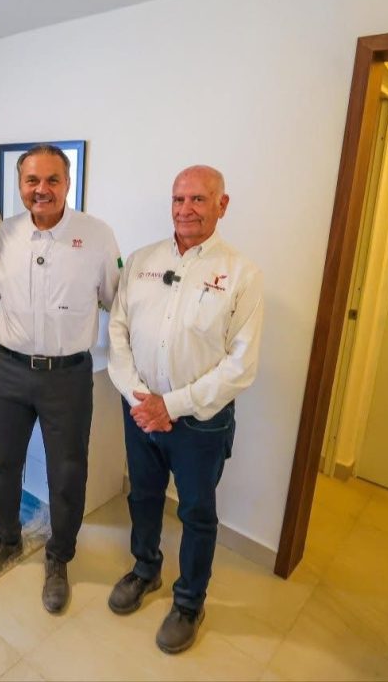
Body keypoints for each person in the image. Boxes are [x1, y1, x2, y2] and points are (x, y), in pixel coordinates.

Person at [106, 165, 263, 654]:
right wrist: (140, 397)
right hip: (140, 411)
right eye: (179, 199)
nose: (186, 210)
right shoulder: (142, 261)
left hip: (200, 423)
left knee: (196, 512)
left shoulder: (241, 274)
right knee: (143, 496)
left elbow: (240, 365)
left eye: (198, 199)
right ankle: (145, 569)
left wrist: (170, 406)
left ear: (222, 204)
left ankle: (190, 602)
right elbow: (118, 331)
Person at [0, 144, 121, 613]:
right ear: (20, 185)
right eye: (32, 180)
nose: (41, 189)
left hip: (67, 378)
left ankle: (59, 558)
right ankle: (6, 539)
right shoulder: (7, 233)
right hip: (9, 369)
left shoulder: (96, 236)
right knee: (4, 463)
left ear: (67, 183)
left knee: (67, 473)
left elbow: (116, 298)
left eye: (52, 180)